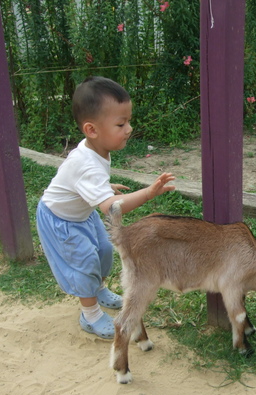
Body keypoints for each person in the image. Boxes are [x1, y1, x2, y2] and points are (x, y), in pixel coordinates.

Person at [36, 76, 175, 339]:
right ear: (92, 129)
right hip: (60, 221)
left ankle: (98, 289)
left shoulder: (96, 149)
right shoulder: (87, 164)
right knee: (84, 262)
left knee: (102, 251)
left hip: (81, 214)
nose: (129, 128)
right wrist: (148, 193)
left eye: (128, 121)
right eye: (121, 124)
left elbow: (84, 183)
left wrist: (104, 188)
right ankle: (90, 316)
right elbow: (112, 209)